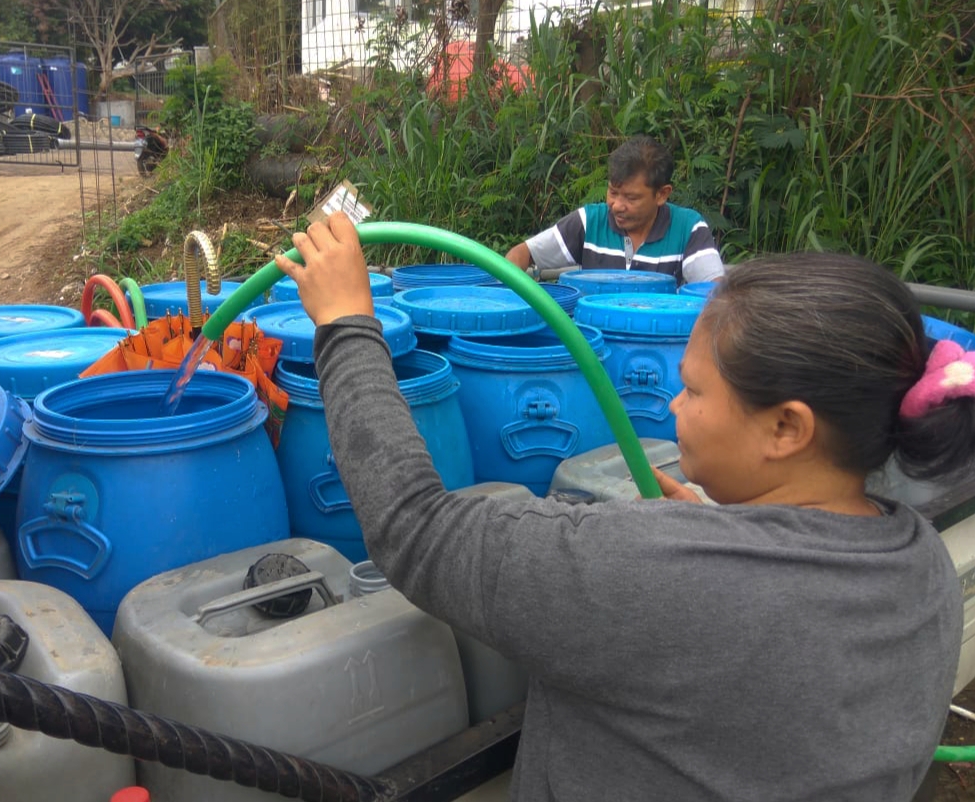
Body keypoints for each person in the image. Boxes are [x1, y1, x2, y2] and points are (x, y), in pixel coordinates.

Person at [275, 213, 971, 801]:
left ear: (785, 428)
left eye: (694, 391)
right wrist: (713, 529)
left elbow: (413, 529)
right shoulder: (919, 564)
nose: (672, 405)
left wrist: (345, 323)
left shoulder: (655, 576)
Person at [504, 135, 725, 285]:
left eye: (631, 197)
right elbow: (521, 254)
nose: (617, 205)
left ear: (662, 194)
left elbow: (714, 293)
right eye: (613, 192)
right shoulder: (589, 222)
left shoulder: (688, 228)